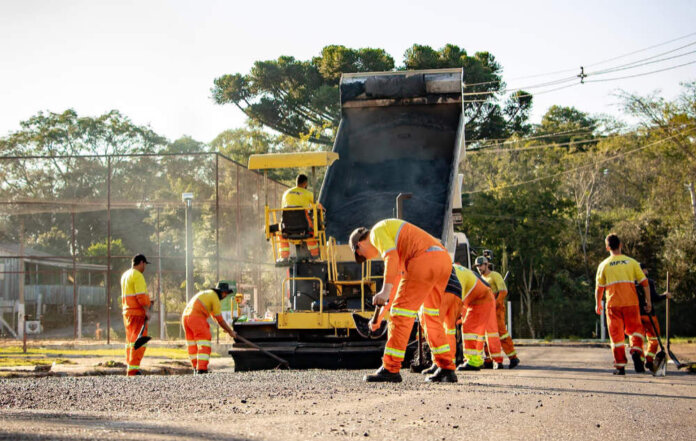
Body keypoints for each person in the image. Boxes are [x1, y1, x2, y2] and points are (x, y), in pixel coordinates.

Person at [350, 219, 456, 383]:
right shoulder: (400, 244)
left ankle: (390, 369)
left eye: (361, 256)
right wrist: (378, 318)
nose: (365, 258)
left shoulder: (377, 232)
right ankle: (446, 367)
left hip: (424, 260)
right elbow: (397, 285)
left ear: (360, 245)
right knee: (429, 316)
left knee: (400, 314)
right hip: (442, 260)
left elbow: (390, 257)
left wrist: (384, 291)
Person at [421, 263, 504, 373]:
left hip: (481, 298)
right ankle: (451, 362)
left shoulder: (447, 274)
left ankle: (453, 363)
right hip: (474, 297)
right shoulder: (451, 269)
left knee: (462, 328)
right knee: (452, 329)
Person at [595, 233, 650, 375]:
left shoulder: (604, 265)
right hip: (631, 303)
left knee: (616, 336)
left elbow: (599, 288)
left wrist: (598, 304)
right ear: (620, 245)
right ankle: (636, 351)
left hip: (613, 305)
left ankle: (620, 366)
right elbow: (645, 283)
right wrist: (648, 302)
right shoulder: (632, 262)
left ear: (607, 248)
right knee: (636, 330)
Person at [181, 281, 238, 374]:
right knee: (204, 340)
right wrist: (230, 331)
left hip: (185, 317)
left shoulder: (207, 294)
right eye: (226, 294)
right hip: (196, 317)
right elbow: (219, 319)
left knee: (192, 343)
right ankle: (202, 369)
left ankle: (195, 367)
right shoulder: (215, 298)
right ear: (223, 292)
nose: (225, 296)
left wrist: (226, 329)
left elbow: (214, 317)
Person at [475, 256, 520, 369]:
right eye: (477, 266)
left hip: (497, 309)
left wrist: (495, 303)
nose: (479, 268)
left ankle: (513, 357)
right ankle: (489, 359)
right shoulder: (480, 278)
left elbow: (503, 291)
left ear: (486, 264)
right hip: (485, 310)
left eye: (480, 265)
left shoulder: (495, 275)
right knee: (486, 335)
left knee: (501, 333)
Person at [277, 174, 324, 263]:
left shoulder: (286, 193)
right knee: (311, 232)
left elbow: (284, 209)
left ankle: (284, 257)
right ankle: (315, 256)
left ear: (296, 182)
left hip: (287, 227)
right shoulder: (308, 193)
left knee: (280, 234)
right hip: (303, 226)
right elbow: (319, 206)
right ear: (305, 183)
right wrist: (323, 210)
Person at [120, 254, 152, 376]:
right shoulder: (137, 275)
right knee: (139, 340)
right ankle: (133, 369)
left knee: (130, 341)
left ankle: (130, 367)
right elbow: (140, 296)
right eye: (145, 265)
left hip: (127, 312)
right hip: (137, 313)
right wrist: (147, 309)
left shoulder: (125, 275)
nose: (145, 267)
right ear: (142, 262)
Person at [637, 263, 671, 371]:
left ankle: (641, 361)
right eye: (645, 270)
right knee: (653, 339)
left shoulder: (631, 283)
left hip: (636, 316)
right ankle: (649, 359)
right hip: (649, 316)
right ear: (644, 270)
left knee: (639, 340)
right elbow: (654, 298)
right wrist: (665, 295)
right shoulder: (649, 282)